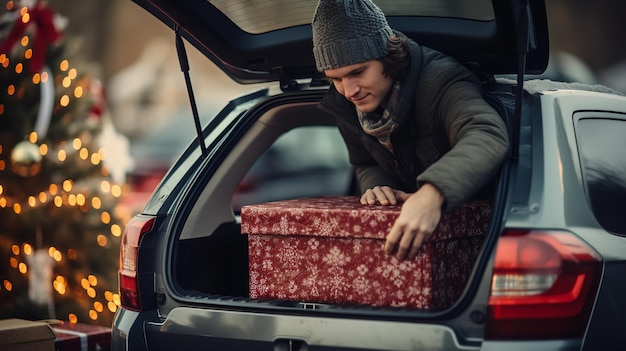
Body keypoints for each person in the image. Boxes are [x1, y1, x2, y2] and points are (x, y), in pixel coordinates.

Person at [311, 0, 510, 260]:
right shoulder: (346, 105)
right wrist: (378, 187)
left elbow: (486, 134)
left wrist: (431, 194)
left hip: (483, 244)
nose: (349, 91)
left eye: (358, 72)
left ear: (386, 55)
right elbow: (365, 163)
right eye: (335, 79)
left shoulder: (441, 80)